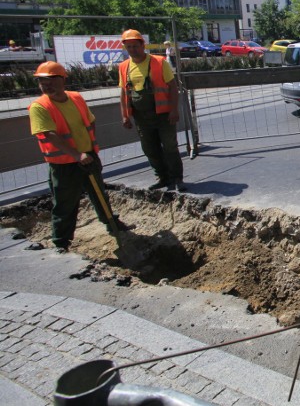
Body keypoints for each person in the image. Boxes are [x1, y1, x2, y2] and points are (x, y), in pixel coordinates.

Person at [28, 61, 128, 253]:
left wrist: (89, 149)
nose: (45, 85)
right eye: (42, 81)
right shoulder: (39, 106)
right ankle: (61, 241)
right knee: (65, 203)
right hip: (64, 164)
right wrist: (76, 154)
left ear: (62, 80)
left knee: (99, 193)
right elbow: (49, 134)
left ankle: (112, 224)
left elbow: (90, 121)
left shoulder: (75, 98)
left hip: (88, 157)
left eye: (50, 80)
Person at [118, 29, 187, 191]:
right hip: (142, 117)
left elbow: (172, 87)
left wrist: (174, 110)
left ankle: (177, 177)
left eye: (135, 46)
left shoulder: (158, 62)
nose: (132, 50)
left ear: (143, 45)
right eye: (129, 47)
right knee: (149, 148)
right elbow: (123, 92)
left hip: (163, 114)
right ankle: (162, 177)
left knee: (169, 146)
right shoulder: (124, 67)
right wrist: (125, 116)